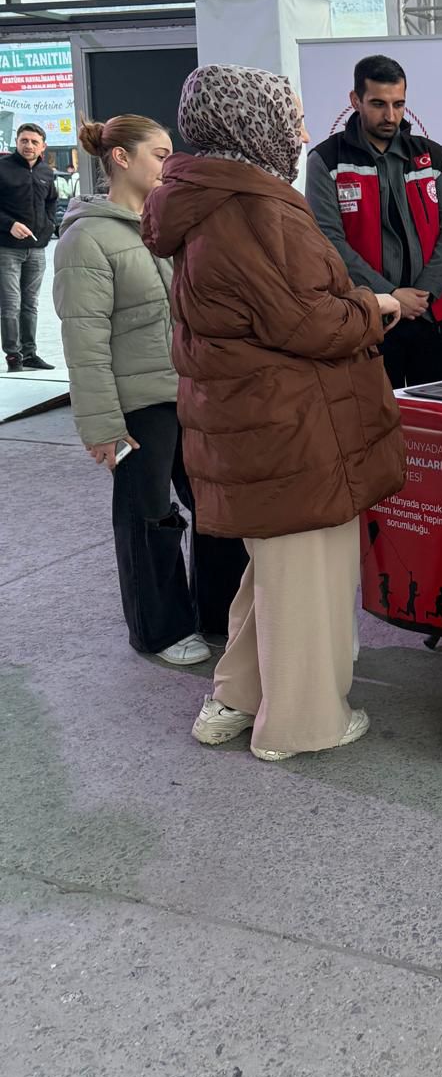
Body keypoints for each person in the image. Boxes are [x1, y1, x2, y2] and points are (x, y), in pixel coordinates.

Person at [142, 64, 408, 761]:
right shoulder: (255, 206)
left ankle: (236, 696)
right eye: (288, 115)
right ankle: (301, 724)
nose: (301, 130)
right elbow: (312, 323)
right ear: (248, 123)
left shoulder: (206, 198)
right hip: (292, 428)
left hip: (254, 424)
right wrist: (373, 307)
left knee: (274, 574)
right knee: (308, 583)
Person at [52, 116, 247, 665]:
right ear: (120, 158)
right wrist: (103, 428)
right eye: (160, 154)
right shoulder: (86, 237)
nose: (170, 164)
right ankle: (159, 630)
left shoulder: (169, 225)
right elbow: (83, 343)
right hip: (139, 404)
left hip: (193, 389)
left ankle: (218, 613)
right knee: (149, 515)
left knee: (214, 506)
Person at [306, 54, 442, 389]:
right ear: (355, 100)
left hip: (433, 314)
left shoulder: (430, 155)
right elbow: (328, 241)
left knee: (437, 422)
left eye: (398, 104)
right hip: (368, 317)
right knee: (373, 425)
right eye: (378, 103)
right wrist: (391, 295)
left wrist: (422, 294)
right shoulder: (327, 159)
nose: (390, 115)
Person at [0, 121, 59, 371]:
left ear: (42, 146)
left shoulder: (46, 172)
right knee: (10, 303)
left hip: (36, 249)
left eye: (34, 142)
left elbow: (51, 201)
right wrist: (9, 224)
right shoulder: (2, 168)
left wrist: (48, 226)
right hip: (7, 248)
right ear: (17, 142)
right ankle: (13, 357)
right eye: (24, 140)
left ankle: (30, 354)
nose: (29, 145)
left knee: (30, 304)